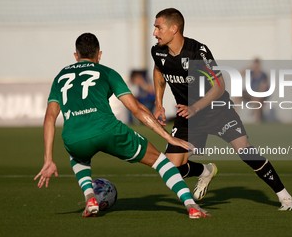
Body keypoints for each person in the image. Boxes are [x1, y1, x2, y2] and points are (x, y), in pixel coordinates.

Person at [34, 33, 210, 218]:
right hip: (109, 131)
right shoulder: (107, 72)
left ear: (76, 56)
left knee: (77, 156)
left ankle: (90, 197)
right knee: (160, 162)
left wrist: (48, 159)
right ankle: (191, 205)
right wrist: (167, 136)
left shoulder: (60, 77)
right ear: (99, 55)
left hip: (74, 136)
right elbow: (137, 109)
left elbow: (49, 118)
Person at [151, 8, 292, 210]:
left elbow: (219, 85)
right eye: (155, 28)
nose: (155, 32)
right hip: (188, 116)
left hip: (216, 111)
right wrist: (159, 103)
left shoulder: (196, 52)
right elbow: (159, 69)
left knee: (245, 150)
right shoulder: (158, 51)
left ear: (174, 28)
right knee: (171, 167)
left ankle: (285, 197)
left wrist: (196, 107)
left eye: (158, 27)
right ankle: (205, 171)